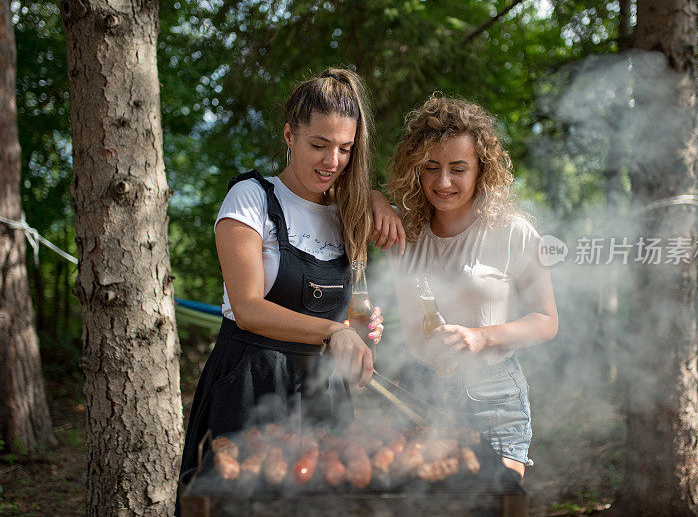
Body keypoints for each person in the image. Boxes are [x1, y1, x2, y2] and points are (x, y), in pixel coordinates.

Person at [177, 69, 384, 502]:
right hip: (251, 381)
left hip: (323, 392)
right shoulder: (251, 198)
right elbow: (248, 308)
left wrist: (357, 333)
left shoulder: (348, 213)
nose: (332, 161)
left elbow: (338, 314)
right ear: (289, 135)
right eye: (319, 145)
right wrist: (335, 331)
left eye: (345, 149)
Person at [380, 95, 558, 478]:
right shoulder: (401, 231)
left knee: (496, 506)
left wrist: (481, 337)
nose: (443, 182)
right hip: (416, 392)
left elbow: (546, 320)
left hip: (492, 397)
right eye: (431, 167)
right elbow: (336, 197)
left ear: (482, 170)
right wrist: (376, 199)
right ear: (415, 169)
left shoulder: (513, 232)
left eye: (458, 168)